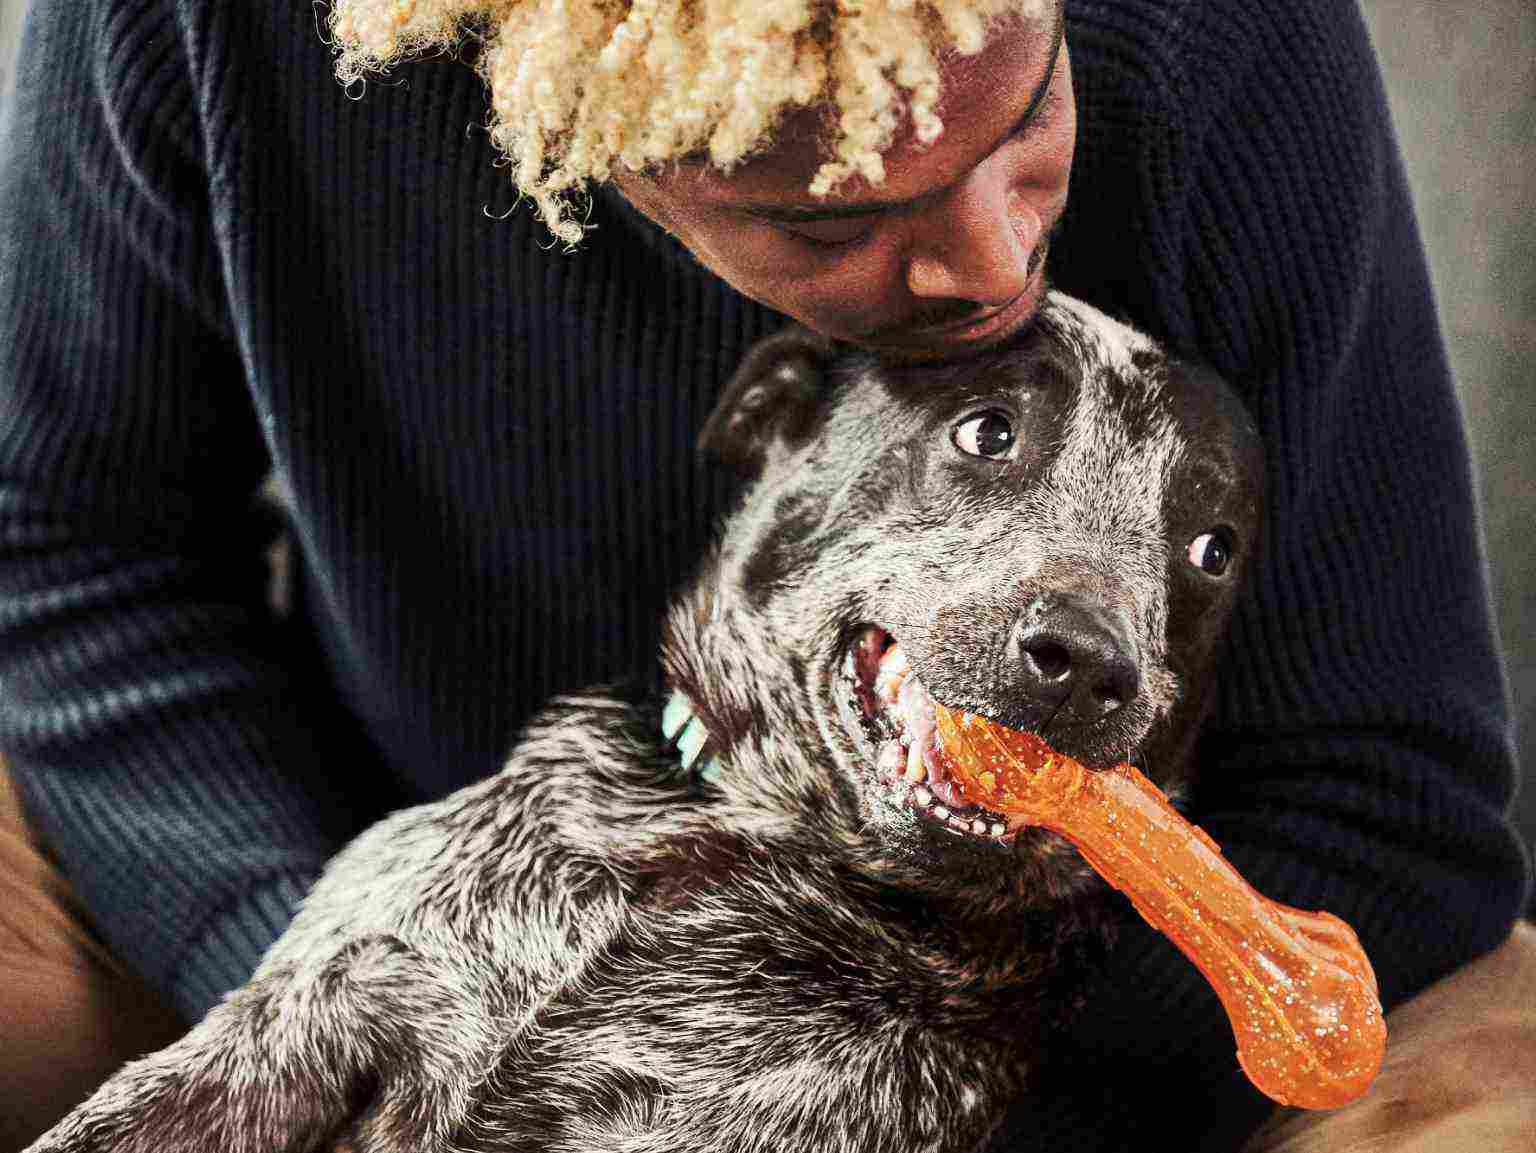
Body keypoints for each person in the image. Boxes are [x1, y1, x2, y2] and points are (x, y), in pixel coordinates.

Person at [0, 0, 1529, 1148]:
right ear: (586, 157)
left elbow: (1392, 797)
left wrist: (940, 1114)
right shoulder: (208, 29)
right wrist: (328, 987)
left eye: (1030, 119)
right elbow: (69, 556)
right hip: (361, 848)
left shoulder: (1227, 38)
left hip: (1034, 992)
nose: (1003, 272)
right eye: (836, 216)